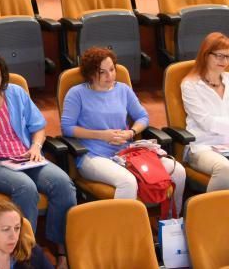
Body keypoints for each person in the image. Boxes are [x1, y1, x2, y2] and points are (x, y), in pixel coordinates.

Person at [0, 50, 75, 266]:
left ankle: (61, 250)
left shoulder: (16, 92)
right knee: (26, 188)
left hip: (24, 156)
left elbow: (38, 127)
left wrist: (36, 147)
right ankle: (23, 253)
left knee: (63, 184)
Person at [60, 47, 186, 212]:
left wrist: (131, 132)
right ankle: (122, 230)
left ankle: (171, 221)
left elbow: (143, 117)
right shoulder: (77, 93)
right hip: (93, 156)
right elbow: (67, 128)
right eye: (102, 72)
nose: (109, 76)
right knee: (127, 181)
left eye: (112, 70)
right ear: (91, 73)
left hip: (125, 153)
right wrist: (101, 136)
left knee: (178, 171)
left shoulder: (123, 90)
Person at [180, 32, 229, 192]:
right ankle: (210, 214)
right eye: (220, 56)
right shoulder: (190, 85)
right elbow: (206, 123)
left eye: (228, 57)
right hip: (202, 146)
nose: (224, 61)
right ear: (206, 54)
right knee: (225, 168)